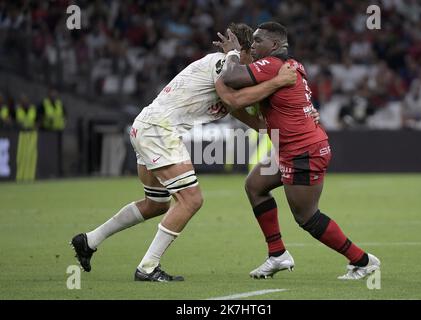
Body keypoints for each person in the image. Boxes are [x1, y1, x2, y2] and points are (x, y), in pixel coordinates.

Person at [70, 23, 298, 282]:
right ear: (241, 50)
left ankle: (89, 240)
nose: (254, 63)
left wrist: (278, 124)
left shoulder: (231, 74)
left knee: (155, 204)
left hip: (148, 126)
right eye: (252, 54)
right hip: (159, 129)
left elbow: (239, 111)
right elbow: (234, 101)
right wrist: (277, 79)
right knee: (191, 199)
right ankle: (147, 267)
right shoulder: (223, 64)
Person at [217, 21, 380, 280]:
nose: (254, 44)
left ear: (275, 45)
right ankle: (277, 254)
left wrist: (232, 55)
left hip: (303, 151)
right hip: (292, 147)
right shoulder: (290, 66)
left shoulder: (272, 65)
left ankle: (362, 261)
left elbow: (230, 77)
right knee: (255, 186)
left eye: (259, 40)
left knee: (306, 217)